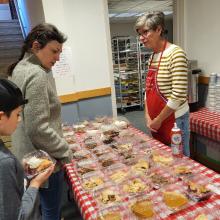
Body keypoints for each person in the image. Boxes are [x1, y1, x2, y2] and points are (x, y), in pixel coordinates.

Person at [7, 23, 73, 220]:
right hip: (43, 160)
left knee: (40, 208)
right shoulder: (37, 75)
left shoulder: (20, 67)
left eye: (60, 52)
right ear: (36, 46)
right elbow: (38, 128)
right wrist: (65, 150)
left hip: (26, 155)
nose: (58, 58)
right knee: (51, 211)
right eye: (54, 51)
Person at [135, 11, 190, 156]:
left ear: (159, 29)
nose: (141, 38)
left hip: (175, 121)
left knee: (179, 163)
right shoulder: (152, 57)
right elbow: (148, 90)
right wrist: (148, 117)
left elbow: (178, 96)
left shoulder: (176, 54)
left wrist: (158, 120)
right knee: (162, 160)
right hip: (156, 122)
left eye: (145, 32)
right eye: (139, 34)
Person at [0, 78, 54, 220]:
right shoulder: (5, 162)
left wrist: (20, 171)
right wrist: (35, 183)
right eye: (17, 114)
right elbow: (18, 216)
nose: (19, 120)